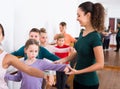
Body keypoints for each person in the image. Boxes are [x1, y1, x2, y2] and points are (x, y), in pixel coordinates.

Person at [55, 1, 104, 89]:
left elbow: (100, 64)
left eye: (79, 15)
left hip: (89, 83)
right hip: (77, 79)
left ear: (88, 15)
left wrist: (78, 71)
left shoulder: (95, 37)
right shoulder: (82, 32)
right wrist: (62, 60)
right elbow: (79, 52)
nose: (77, 18)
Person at [0, 23, 48, 89]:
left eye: (35, 51)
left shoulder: (42, 59)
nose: (33, 53)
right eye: (30, 51)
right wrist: (6, 76)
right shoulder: (23, 60)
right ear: (25, 51)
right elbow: (18, 77)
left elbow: (52, 61)